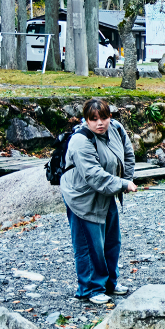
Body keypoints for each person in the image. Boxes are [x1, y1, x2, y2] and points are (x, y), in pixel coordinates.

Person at [60, 97, 136, 304]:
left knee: (112, 241)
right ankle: (90, 289)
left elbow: (128, 155)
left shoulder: (117, 130)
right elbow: (94, 175)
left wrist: (127, 179)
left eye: (104, 117)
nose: (100, 123)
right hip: (81, 197)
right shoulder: (80, 141)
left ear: (110, 117)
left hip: (106, 192)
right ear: (86, 120)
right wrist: (122, 184)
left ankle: (110, 282)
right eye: (94, 119)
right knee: (89, 245)